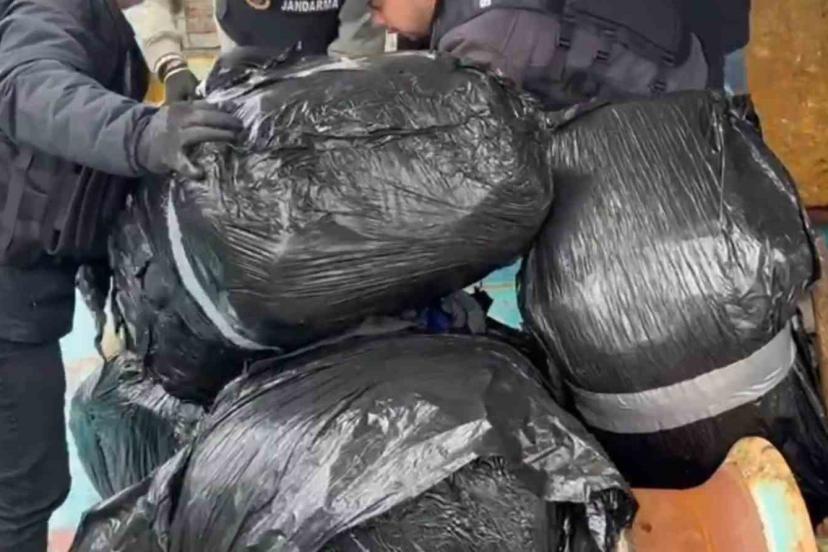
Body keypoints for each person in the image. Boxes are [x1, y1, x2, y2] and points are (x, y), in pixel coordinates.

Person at [0, 0, 242, 549]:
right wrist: (141, 134)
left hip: (25, 290)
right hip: (10, 300)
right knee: (23, 491)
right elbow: (26, 87)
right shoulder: (59, 9)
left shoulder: (96, 17)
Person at [368, 0, 751, 108]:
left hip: (681, 93)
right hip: (683, 34)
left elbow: (485, 148)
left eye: (378, 5)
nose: (379, 21)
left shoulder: (482, 42)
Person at [127, 0, 387, 103]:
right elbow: (154, 5)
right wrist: (170, 64)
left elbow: (356, 53)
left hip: (329, 75)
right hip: (242, 76)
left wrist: (332, 97)